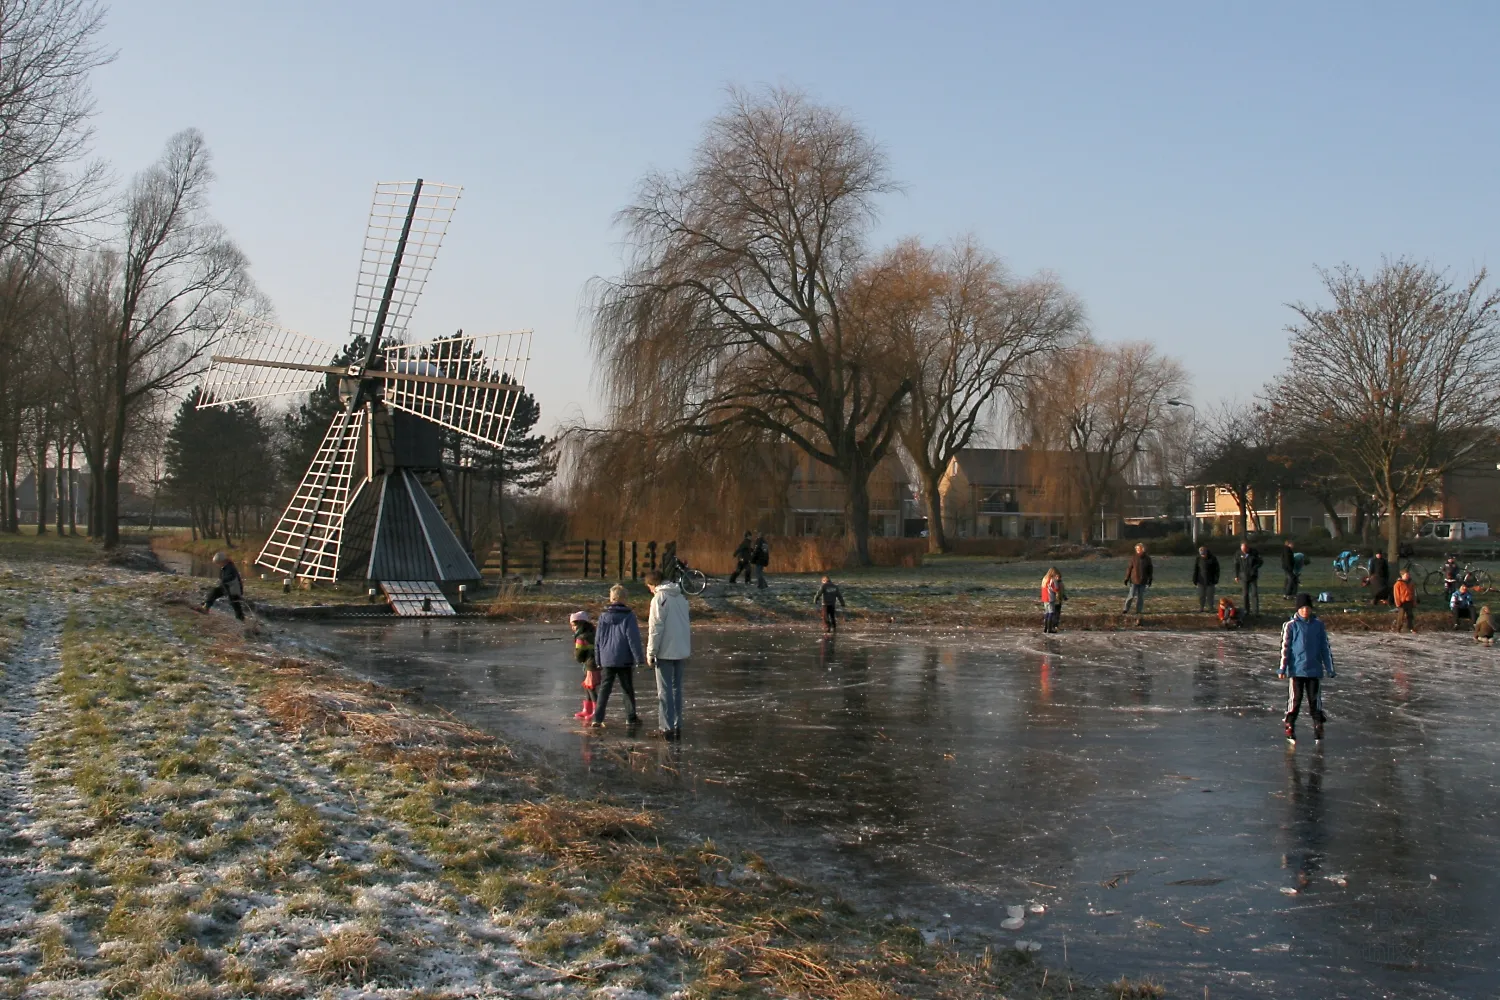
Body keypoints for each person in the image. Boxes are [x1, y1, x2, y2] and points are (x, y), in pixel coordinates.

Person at [1279, 593, 1335, 743]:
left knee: (1314, 700)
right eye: (1302, 608)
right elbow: (1286, 648)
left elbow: (1324, 647)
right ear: (1298, 609)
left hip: (1313, 669)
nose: (1305, 611)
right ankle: (1290, 724)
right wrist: (1282, 668)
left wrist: (1329, 668)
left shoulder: (1318, 625)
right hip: (1296, 670)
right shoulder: (1291, 625)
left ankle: (1318, 726)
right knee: (1295, 700)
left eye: (1308, 608)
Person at [645, 571, 690, 741]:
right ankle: (677, 724)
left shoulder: (659, 599)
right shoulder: (680, 597)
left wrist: (651, 652)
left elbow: (655, 628)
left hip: (665, 651)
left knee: (664, 691)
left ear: (653, 585)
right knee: (676, 688)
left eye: (649, 587)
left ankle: (666, 727)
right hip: (681, 649)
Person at [590, 584, 644, 728]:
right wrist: (639, 658)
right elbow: (633, 638)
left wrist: (598, 658)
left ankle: (598, 718)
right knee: (627, 688)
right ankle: (631, 717)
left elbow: (598, 639)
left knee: (604, 690)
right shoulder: (628, 615)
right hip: (624, 658)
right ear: (624, 598)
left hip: (607, 658)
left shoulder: (603, 616)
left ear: (611, 597)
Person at [196, 552, 246, 620]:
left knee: (235, 604)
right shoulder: (226, 566)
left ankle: (241, 619)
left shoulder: (230, 567)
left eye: (218, 563)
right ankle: (206, 607)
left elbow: (231, 577)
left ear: (222, 561)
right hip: (227, 586)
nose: (218, 565)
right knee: (214, 592)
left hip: (233, 589)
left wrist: (223, 580)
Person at [569, 611, 600, 721]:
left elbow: (579, 655)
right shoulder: (594, 633)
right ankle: (587, 709)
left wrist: (579, 658)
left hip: (589, 665)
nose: (572, 628)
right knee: (587, 687)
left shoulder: (581, 637)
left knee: (590, 688)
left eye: (573, 625)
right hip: (595, 663)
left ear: (580, 625)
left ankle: (596, 711)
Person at [1121, 543, 1152, 624]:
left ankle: (1139, 611)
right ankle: (1126, 609)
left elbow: (1150, 570)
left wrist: (1150, 579)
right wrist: (1126, 578)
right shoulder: (1134, 558)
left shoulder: (1147, 559)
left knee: (1140, 597)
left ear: (1143, 549)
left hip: (1143, 580)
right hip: (1134, 580)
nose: (1138, 550)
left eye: (1139, 549)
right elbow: (1129, 568)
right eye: (1137, 549)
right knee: (1131, 595)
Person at [1234, 541, 1262, 616]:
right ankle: (1246, 610)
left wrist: (1254, 569)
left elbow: (1260, 562)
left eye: (1245, 550)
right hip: (1243, 577)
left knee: (1254, 594)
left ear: (1247, 548)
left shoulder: (1254, 553)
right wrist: (1236, 576)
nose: (1243, 551)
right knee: (1245, 594)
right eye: (1242, 550)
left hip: (1253, 577)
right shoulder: (1238, 554)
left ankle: (1256, 611)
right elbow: (1236, 565)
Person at [1192, 546, 1220, 612]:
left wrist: (1216, 579)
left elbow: (1217, 570)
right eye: (1201, 554)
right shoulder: (1198, 559)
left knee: (1210, 595)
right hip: (1200, 581)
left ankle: (1211, 608)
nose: (1203, 556)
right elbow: (1195, 570)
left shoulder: (1213, 558)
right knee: (1201, 595)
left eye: (1204, 554)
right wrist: (1194, 579)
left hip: (1210, 580)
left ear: (1206, 552)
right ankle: (1201, 607)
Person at [1041, 567, 1066, 633]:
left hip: (1044, 598)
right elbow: (1055, 589)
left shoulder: (1044, 579)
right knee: (1051, 612)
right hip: (1050, 598)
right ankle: (1050, 629)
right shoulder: (1052, 579)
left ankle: (1046, 628)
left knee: (1046, 612)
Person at [1392, 568, 1416, 633]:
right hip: (1402, 603)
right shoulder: (1398, 584)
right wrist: (1398, 603)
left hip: (1409, 601)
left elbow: (1413, 593)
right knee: (1401, 617)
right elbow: (1396, 594)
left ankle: (1411, 627)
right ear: (1402, 575)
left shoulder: (1411, 583)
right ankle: (1398, 628)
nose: (1408, 576)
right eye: (1406, 575)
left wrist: (1414, 601)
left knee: (1410, 615)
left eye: (1408, 575)